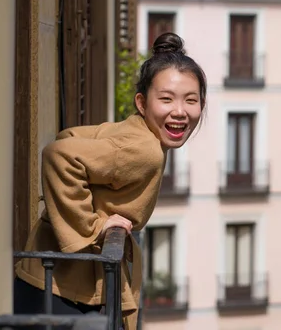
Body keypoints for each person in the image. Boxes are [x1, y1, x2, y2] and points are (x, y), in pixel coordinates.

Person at [14, 33, 206, 330]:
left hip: (46, 281)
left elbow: (71, 138)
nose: (180, 111)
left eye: (191, 100)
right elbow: (58, 154)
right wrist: (95, 226)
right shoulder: (145, 149)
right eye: (166, 99)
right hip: (62, 291)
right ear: (142, 103)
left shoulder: (133, 132)